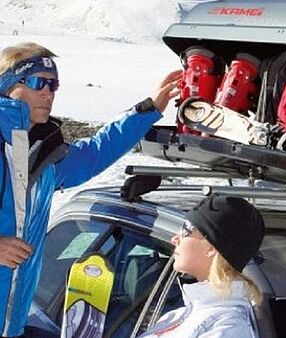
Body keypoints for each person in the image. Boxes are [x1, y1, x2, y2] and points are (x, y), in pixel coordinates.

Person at [0, 41, 182, 337]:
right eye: (37, 83)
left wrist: (149, 109)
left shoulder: (43, 155)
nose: (48, 93)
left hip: (12, 325)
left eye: (54, 85)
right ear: (9, 86)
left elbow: (94, 153)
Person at [139, 194, 265, 338]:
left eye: (185, 230)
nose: (175, 239)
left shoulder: (228, 327)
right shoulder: (178, 316)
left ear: (212, 247)